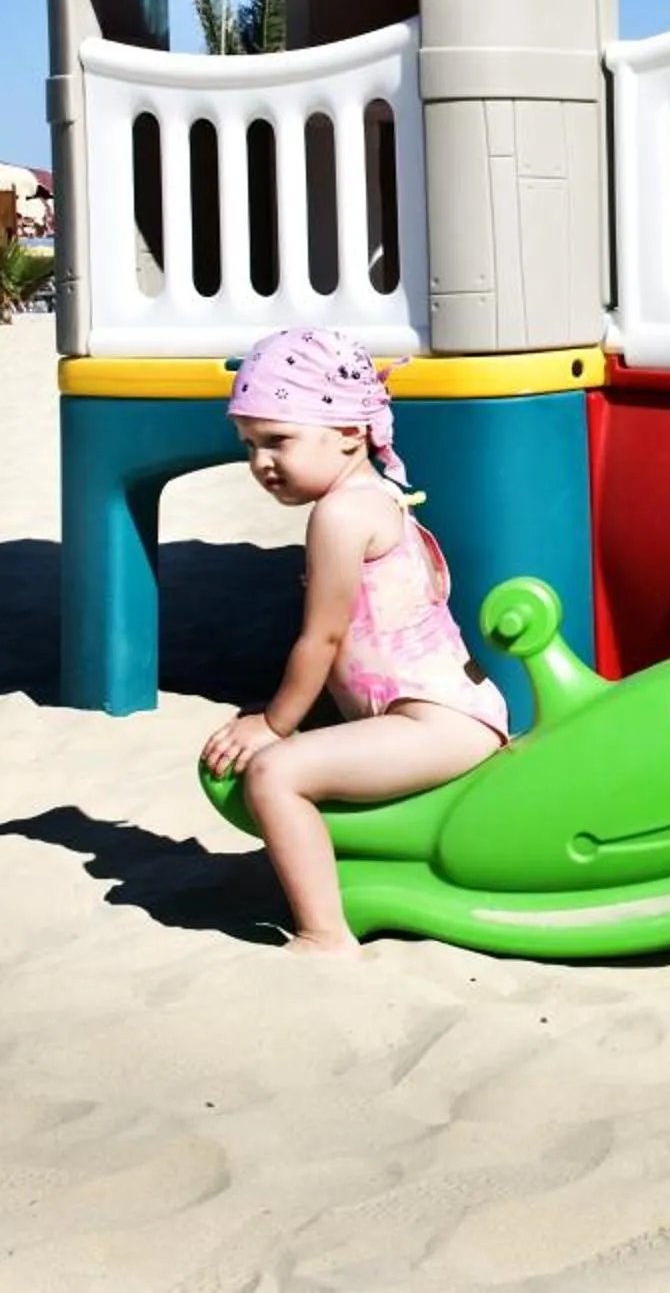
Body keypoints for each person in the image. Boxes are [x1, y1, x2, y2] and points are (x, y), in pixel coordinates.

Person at [197, 327, 510, 950]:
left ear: (348, 431)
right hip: (443, 715)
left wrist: (273, 725)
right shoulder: (374, 497)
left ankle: (323, 934)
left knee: (274, 775)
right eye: (250, 445)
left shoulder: (341, 514)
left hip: (438, 725)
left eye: (278, 440)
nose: (261, 462)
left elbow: (323, 640)